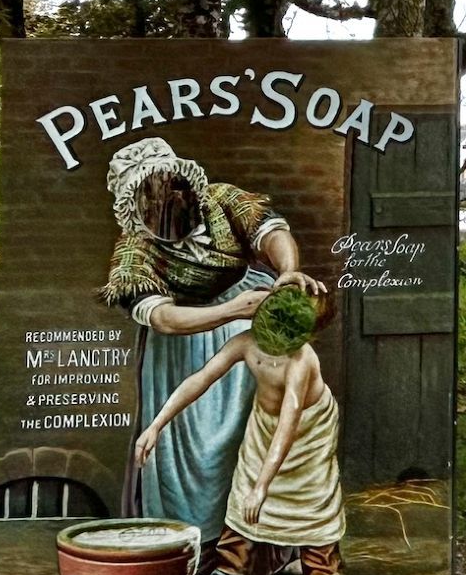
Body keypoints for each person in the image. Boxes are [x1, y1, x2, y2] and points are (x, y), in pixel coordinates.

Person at [100, 138, 327, 541]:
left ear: (186, 183)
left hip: (252, 315)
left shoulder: (222, 200)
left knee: (252, 434)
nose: (166, 203)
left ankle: (257, 543)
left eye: (172, 188)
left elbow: (270, 232)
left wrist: (288, 269)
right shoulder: (134, 253)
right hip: (188, 339)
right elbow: (164, 318)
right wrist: (229, 311)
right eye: (150, 199)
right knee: (195, 452)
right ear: (135, 208)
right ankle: (198, 541)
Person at [133, 286, 347, 575]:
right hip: (264, 424)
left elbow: (290, 421)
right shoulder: (246, 342)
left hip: (308, 430)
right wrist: (156, 425)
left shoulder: (302, 361)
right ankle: (235, 566)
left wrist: (263, 486)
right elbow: (201, 378)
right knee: (243, 486)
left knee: (310, 495)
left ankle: (323, 573)